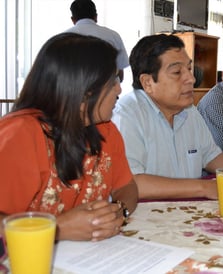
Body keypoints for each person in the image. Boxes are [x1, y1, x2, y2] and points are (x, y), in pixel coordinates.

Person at [112, 34, 223, 202]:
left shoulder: (189, 111)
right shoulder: (127, 115)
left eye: (189, 68)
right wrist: (203, 187)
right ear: (148, 82)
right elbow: (131, 184)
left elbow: (211, 157)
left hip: (187, 215)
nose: (191, 78)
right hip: (146, 220)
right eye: (177, 72)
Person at [0, 33, 138, 242]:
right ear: (83, 94)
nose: (119, 89)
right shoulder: (20, 135)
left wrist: (118, 210)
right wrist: (57, 230)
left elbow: (127, 187)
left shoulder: (106, 131)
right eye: (112, 82)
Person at [66, 0, 129, 82]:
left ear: (72, 19)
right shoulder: (113, 35)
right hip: (109, 90)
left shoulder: (62, 38)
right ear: (96, 17)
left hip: (74, 91)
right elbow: (120, 74)